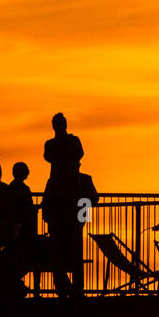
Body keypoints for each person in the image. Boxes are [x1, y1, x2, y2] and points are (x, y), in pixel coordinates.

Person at [42, 114, 94, 297]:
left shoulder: (51, 145)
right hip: (70, 202)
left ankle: (65, 287)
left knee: (59, 248)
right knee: (73, 247)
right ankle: (74, 288)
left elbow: (49, 157)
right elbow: (77, 154)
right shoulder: (72, 143)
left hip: (61, 202)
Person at [7, 162, 37, 239]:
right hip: (23, 220)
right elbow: (29, 205)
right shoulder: (25, 189)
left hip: (11, 219)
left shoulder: (9, 187)